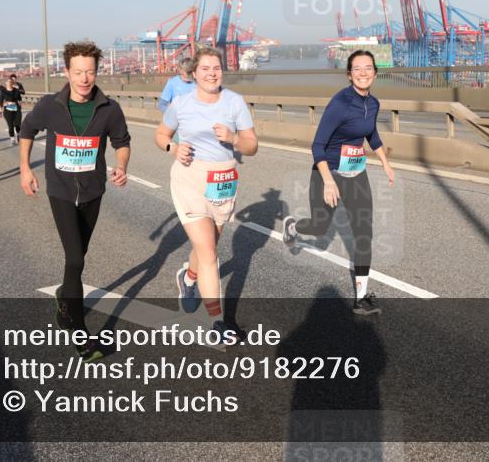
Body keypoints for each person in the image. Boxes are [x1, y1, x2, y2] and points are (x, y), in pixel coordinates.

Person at [19, 40, 131, 362]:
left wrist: (121, 167)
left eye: (90, 72)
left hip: (93, 191)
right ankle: (80, 335)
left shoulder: (109, 108)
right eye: (78, 72)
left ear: (97, 72)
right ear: (66, 71)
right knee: (76, 260)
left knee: (78, 255)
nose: (84, 78)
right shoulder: (50, 106)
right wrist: (25, 169)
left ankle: (63, 297)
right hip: (62, 192)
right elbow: (27, 130)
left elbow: (121, 142)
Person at [281, 50, 395, 315]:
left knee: (364, 234)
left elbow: (372, 134)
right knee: (320, 228)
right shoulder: (340, 104)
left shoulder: (373, 103)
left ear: (375, 73)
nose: (363, 73)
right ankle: (294, 227)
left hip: (356, 174)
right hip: (327, 172)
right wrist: (329, 181)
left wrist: (386, 164)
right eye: (357, 69)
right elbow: (317, 145)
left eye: (368, 68)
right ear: (349, 74)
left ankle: (361, 297)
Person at [154, 47, 257, 338]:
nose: (212, 73)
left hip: (223, 179)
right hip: (189, 178)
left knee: (207, 246)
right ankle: (218, 321)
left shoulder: (235, 103)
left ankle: (188, 276)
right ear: (194, 73)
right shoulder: (181, 104)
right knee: (209, 250)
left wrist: (235, 137)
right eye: (206, 68)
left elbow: (252, 146)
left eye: (217, 68)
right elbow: (160, 135)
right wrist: (173, 148)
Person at [0, 76, 24, 145]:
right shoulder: (3, 91)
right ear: (6, 83)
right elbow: (0, 102)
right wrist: (6, 103)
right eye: (8, 82)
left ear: (12, 83)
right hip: (8, 111)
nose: (9, 83)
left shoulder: (16, 90)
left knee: (18, 124)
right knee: (10, 126)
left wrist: (19, 103)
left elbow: (19, 99)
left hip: (16, 109)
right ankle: (12, 138)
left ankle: (19, 135)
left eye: (10, 82)